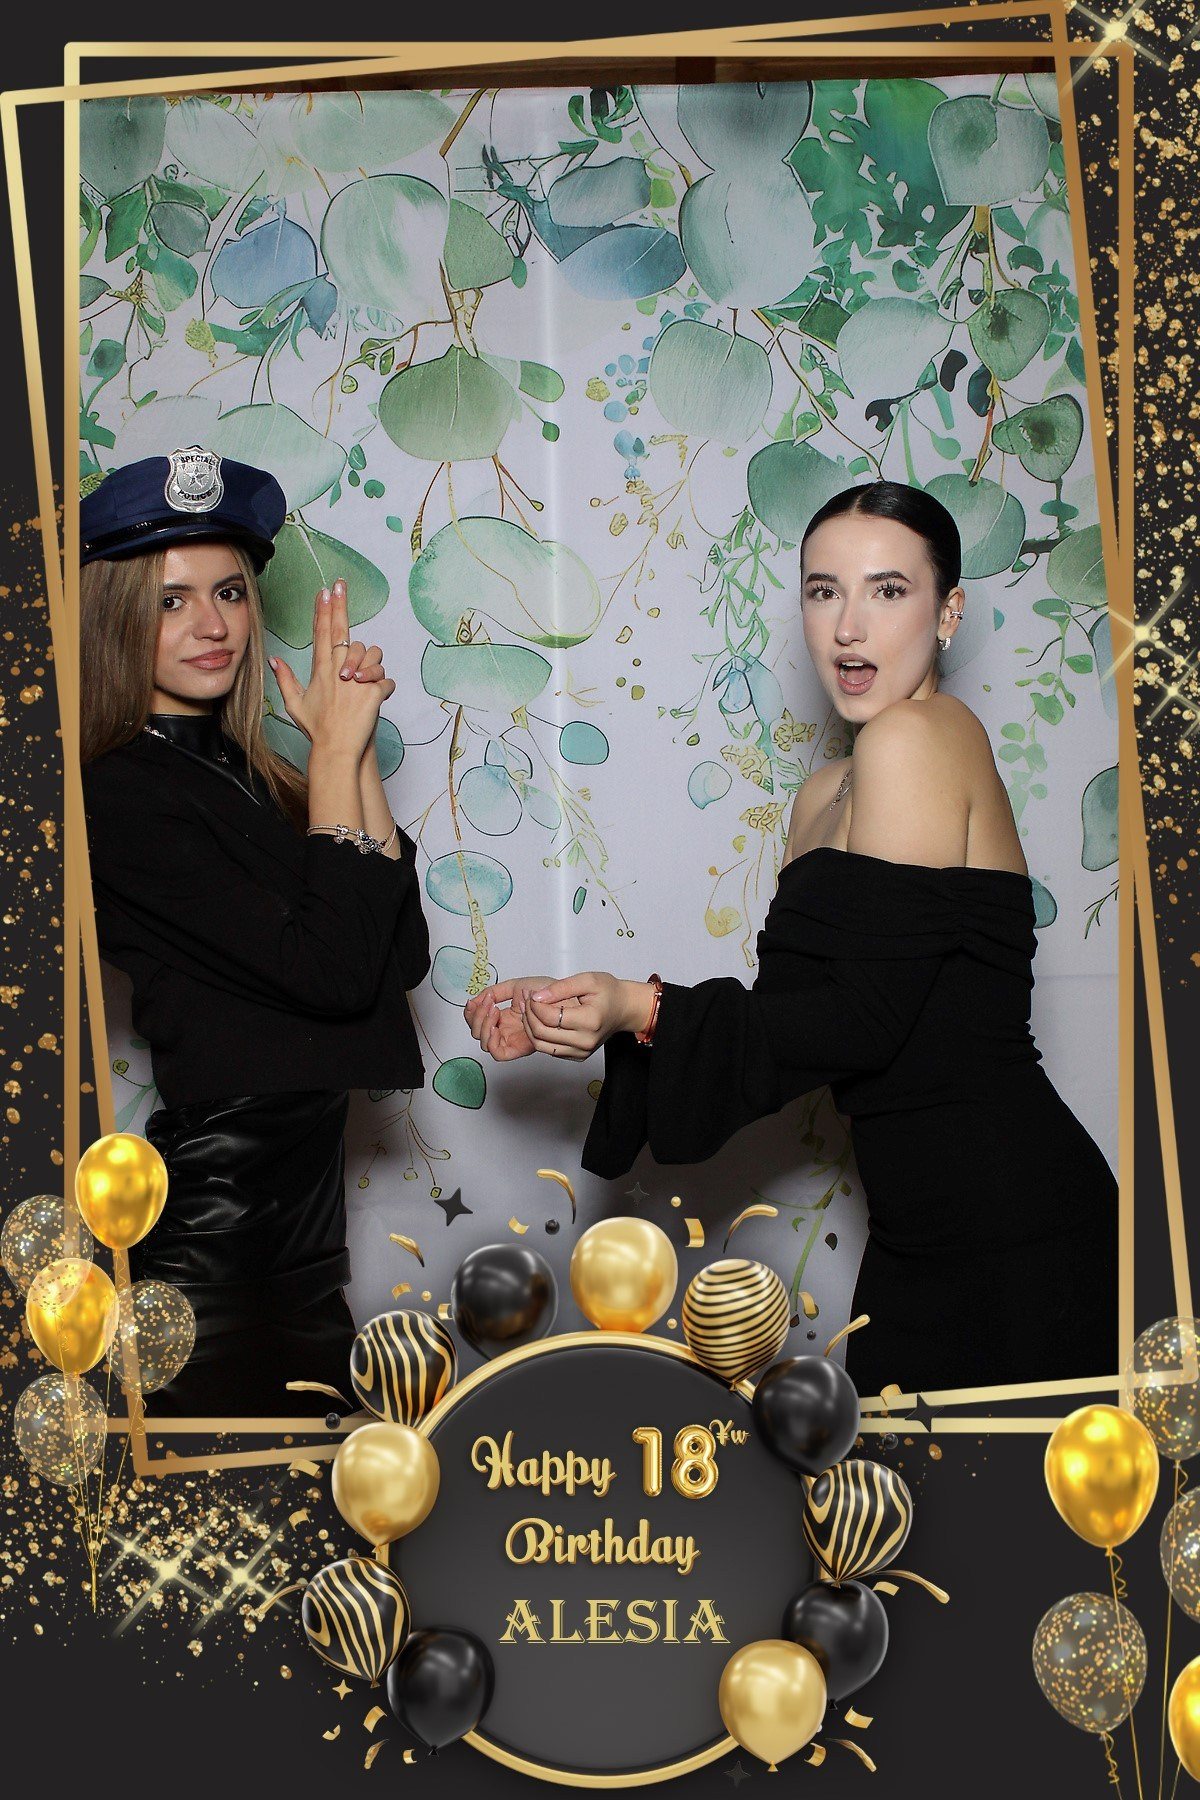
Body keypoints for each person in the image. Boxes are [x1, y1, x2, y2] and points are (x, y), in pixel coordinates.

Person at [465, 480, 1118, 1395]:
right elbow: (794, 1032)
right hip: (916, 1233)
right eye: (823, 591)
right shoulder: (820, 797)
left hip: (1013, 1229)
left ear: (948, 612)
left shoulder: (920, 737)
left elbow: (862, 1021)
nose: (849, 627)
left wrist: (642, 1006)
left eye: (888, 591)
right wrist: (597, 1009)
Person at [80, 448, 430, 1417]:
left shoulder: (255, 780)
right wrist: (333, 756)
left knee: (341, 1509)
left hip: (307, 1263)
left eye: (229, 592)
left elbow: (394, 959)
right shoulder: (117, 793)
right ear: (119, 618)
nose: (214, 624)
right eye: (172, 600)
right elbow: (330, 972)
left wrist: (348, 759)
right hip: (207, 1268)